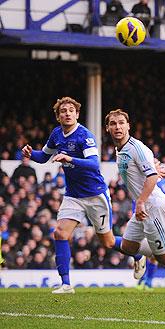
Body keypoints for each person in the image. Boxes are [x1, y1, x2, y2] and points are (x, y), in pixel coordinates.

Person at [21, 97, 146, 294]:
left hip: (95, 195)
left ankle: (138, 255)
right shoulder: (56, 134)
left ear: (77, 114)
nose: (67, 113)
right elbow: (44, 157)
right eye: (63, 111)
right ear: (58, 116)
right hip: (73, 195)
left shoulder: (84, 135)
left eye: (71, 110)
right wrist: (31, 153)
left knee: (109, 242)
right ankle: (66, 284)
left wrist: (69, 158)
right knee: (60, 233)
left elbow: (94, 163)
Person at [106, 109, 165, 286]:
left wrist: (141, 200)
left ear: (128, 126)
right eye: (113, 123)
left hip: (153, 206)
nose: (117, 126)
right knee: (128, 246)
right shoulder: (121, 150)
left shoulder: (135, 148)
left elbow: (150, 176)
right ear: (107, 128)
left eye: (121, 123)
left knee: (164, 258)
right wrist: (154, 168)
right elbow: (147, 169)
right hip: (144, 206)